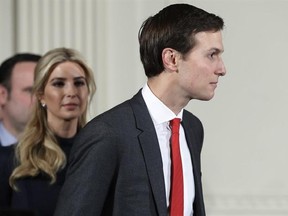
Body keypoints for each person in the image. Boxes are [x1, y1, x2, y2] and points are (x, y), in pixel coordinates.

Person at [54, 3, 226, 216]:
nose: (222, 69)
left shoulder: (192, 128)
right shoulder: (107, 134)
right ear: (171, 59)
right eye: (212, 55)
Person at [0, 47, 96, 216]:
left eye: (79, 83)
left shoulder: (100, 153)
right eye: (58, 84)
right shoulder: (13, 160)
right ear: (41, 95)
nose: (71, 92)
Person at [0, 53, 41, 147]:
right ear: (2, 95)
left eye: (45, 91)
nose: (41, 99)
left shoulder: (73, 149)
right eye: (30, 91)